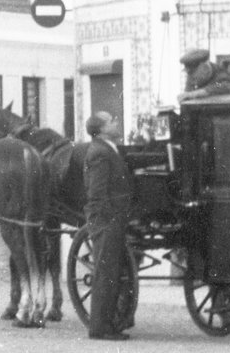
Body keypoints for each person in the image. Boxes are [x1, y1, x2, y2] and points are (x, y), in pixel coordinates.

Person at [83, 112, 135, 341]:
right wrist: (110, 218)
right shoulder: (99, 152)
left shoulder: (107, 148)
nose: (116, 122)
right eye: (112, 120)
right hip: (106, 221)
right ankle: (99, 329)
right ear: (102, 129)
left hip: (111, 220)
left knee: (110, 272)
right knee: (105, 272)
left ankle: (108, 326)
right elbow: (96, 193)